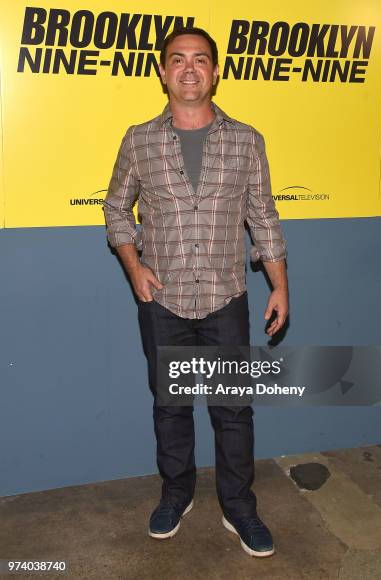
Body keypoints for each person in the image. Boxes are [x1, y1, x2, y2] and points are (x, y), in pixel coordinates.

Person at [103, 27, 288, 558]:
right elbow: (116, 208)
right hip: (162, 302)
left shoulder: (247, 140)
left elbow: (264, 216)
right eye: (177, 60)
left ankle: (240, 507)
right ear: (162, 71)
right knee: (171, 405)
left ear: (215, 70)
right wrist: (134, 266)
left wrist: (280, 286)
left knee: (234, 410)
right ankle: (176, 493)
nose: (189, 68)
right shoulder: (139, 139)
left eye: (200, 60)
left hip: (227, 298)